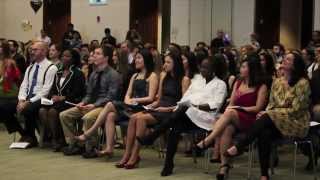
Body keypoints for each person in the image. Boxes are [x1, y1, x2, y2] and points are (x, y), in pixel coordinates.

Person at [226, 52, 311, 180]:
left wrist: (270, 113)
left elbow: (296, 110)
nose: (284, 60)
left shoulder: (302, 83)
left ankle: (241, 145)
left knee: (266, 117)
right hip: (275, 121)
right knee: (264, 132)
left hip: (295, 122)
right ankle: (264, 174)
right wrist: (269, 112)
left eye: (288, 59)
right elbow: (271, 104)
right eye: (285, 58)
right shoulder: (277, 82)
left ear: (295, 65)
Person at [74, 48, 158, 157]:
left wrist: (134, 100)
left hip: (143, 108)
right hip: (131, 106)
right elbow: (127, 94)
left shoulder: (152, 76)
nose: (136, 60)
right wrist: (128, 100)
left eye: (139, 58)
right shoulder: (135, 76)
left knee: (109, 104)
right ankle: (109, 148)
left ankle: (88, 133)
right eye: (136, 58)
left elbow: (151, 98)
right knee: (110, 115)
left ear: (146, 60)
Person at [196, 53, 268, 179]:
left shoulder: (261, 86)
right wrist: (233, 109)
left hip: (251, 119)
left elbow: (258, 108)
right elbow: (232, 103)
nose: (241, 69)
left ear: (252, 69)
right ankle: (224, 167)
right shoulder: (238, 83)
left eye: (244, 66)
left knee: (229, 113)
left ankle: (208, 140)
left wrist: (240, 108)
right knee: (226, 128)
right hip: (234, 117)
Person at [115, 52, 188, 169]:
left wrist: (166, 108)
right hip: (160, 108)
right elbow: (158, 99)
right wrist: (150, 107)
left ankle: (135, 156)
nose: (165, 64)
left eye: (168, 62)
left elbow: (183, 105)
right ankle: (127, 154)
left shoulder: (184, 80)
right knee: (134, 117)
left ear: (177, 64)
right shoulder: (164, 76)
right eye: (165, 62)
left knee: (141, 119)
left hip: (172, 111)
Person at [60, 46, 121, 157]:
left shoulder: (113, 75)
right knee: (64, 115)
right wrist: (83, 103)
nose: (94, 56)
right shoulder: (94, 74)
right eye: (94, 54)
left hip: (104, 106)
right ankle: (76, 144)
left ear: (106, 58)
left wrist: (94, 105)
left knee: (88, 117)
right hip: (91, 104)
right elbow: (88, 94)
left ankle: (92, 147)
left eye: (98, 54)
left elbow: (111, 97)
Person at [38, 49, 86, 152]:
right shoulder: (58, 72)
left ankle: (58, 140)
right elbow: (53, 89)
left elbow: (78, 92)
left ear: (73, 59)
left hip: (70, 101)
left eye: (68, 56)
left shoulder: (78, 73)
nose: (64, 58)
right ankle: (54, 137)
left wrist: (63, 97)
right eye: (63, 56)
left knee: (52, 111)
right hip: (56, 101)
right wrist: (53, 96)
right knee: (42, 110)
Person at [16, 41, 58, 147]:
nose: (31, 52)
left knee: (27, 109)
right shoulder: (30, 67)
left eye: (35, 50)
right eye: (31, 49)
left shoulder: (51, 68)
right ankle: (24, 133)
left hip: (42, 98)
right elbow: (24, 85)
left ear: (44, 51)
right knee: (6, 108)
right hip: (27, 98)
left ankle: (31, 137)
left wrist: (28, 101)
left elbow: (45, 91)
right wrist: (21, 99)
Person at [0, 40, 22, 136]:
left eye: (0, 46)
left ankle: (23, 132)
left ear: (4, 49)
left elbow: (9, 80)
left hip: (9, 95)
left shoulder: (10, 63)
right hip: (2, 95)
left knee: (3, 109)